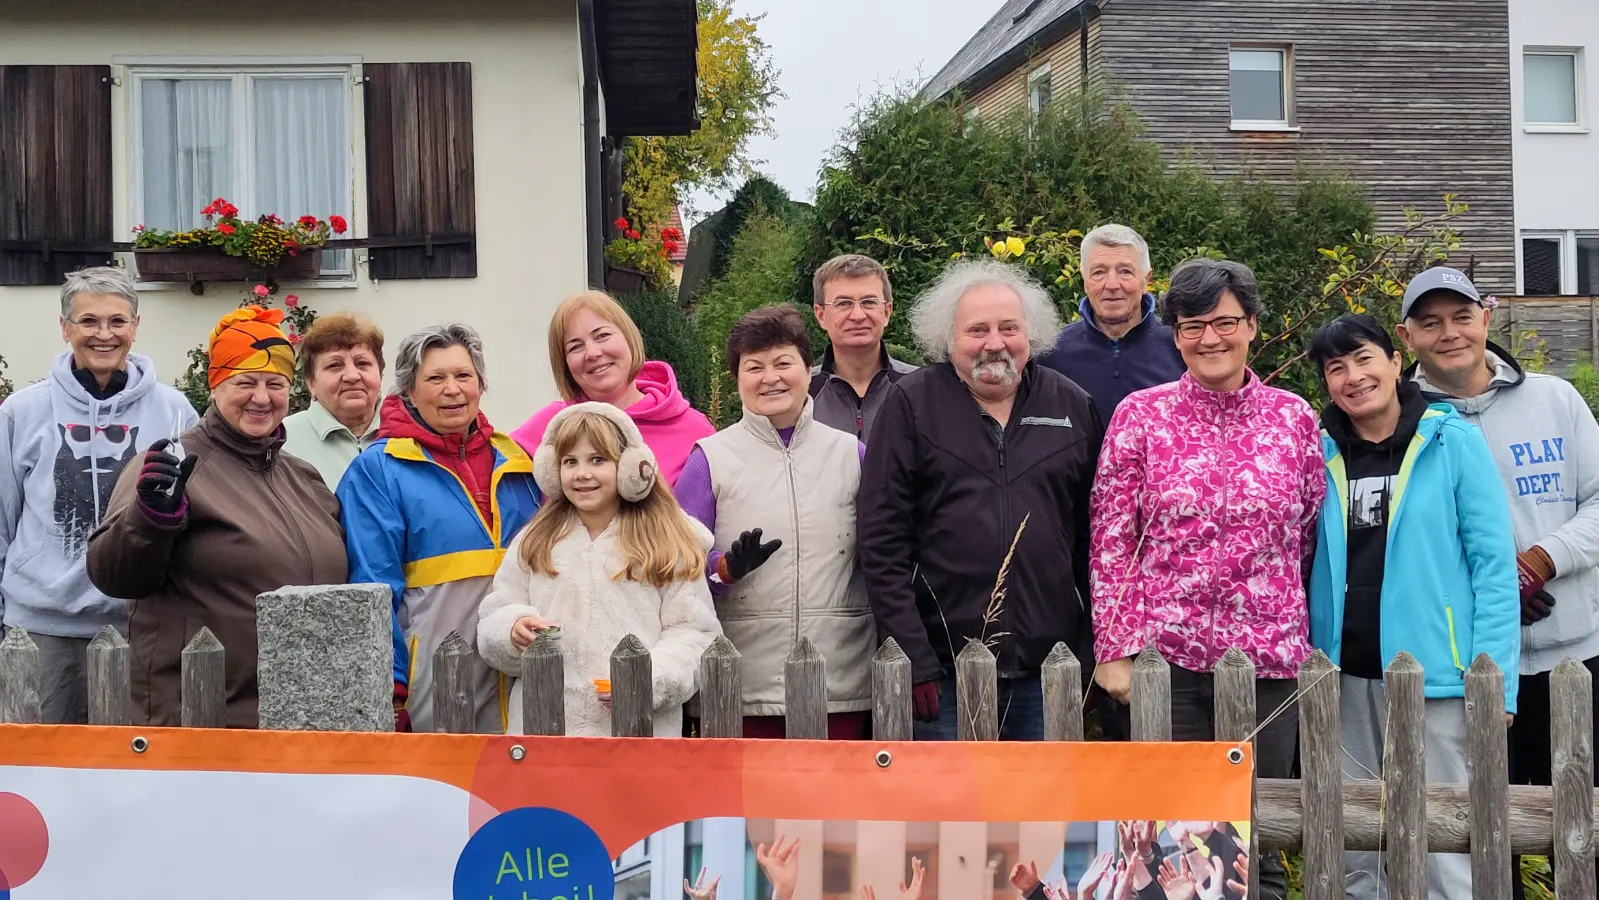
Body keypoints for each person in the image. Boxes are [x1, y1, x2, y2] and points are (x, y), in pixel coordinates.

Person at [1090, 258, 1322, 899]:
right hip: (1170, 662)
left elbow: (1304, 531)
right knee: (1173, 844)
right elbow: (1113, 537)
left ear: (1251, 325)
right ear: (1175, 335)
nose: (1209, 338)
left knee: (1261, 839)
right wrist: (1115, 648)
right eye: (1193, 326)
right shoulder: (1141, 416)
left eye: (1225, 322)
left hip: (1269, 665)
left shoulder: (1293, 418)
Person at [1395, 265, 1599, 898]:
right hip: (1471, 669)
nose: (1449, 333)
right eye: (1430, 323)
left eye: (1461, 317)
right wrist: (1489, 587)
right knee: (1481, 828)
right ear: (1407, 338)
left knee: (1583, 825)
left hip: (1576, 654)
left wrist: (1537, 562)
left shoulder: (1555, 400)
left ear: (1487, 316)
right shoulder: (1403, 421)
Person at [1308, 313, 1519, 900]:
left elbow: (1495, 568)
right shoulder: (1320, 453)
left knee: (1443, 841)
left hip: (1437, 676)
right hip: (1346, 675)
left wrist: (1494, 680)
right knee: (1357, 843)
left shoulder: (1451, 441)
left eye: (1364, 358)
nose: (1354, 376)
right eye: (1336, 367)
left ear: (1395, 361)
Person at [858, 258, 1102, 741]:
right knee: (949, 817)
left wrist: (1089, 651)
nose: (995, 342)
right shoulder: (911, 405)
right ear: (949, 340)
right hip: (945, 673)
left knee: (1042, 815)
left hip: (1048, 670)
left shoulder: (1072, 406)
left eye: (1009, 327)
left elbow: (1095, 543)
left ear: (1031, 334)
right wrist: (914, 655)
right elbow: (882, 542)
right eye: (977, 330)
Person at [86, 305, 346, 727]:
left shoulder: (303, 477)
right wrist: (149, 519)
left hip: (295, 716)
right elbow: (114, 576)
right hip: (200, 713)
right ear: (215, 385)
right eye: (245, 382)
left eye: (275, 384)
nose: (262, 398)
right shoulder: (173, 466)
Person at [0, 266, 197, 723]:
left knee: (129, 776)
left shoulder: (174, 411)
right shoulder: (22, 412)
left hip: (139, 625)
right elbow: (3, 520)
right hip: (41, 629)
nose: (103, 334)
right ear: (65, 327)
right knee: (42, 774)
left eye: (117, 321)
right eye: (89, 321)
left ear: (135, 325)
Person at [675, 305, 875, 738]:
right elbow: (675, 565)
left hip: (839, 679)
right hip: (738, 683)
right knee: (748, 808)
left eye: (783, 363)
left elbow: (884, 554)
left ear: (808, 369)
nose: (771, 378)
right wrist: (724, 568)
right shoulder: (709, 460)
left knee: (832, 807)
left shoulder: (852, 455)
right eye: (754, 367)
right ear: (737, 379)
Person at [339, 323, 540, 734]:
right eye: (435, 378)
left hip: (525, 680)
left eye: (463, 376)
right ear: (409, 392)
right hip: (433, 685)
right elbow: (373, 587)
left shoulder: (518, 460)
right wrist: (391, 687)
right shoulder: (378, 469)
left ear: (480, 385)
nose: (452, 389)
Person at [476, 403, 721, 737]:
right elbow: (498, 609)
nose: (582, 473)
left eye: (597, 460)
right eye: (569, 462)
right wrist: (512, 628)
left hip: (638, 737)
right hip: (544, 736)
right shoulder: (534, 540)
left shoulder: (667, 541)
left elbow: (694, 633)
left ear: (631, 468)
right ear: (552, 469)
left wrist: (647, 678)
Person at [512, 291, 713, 485]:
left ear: (629, 338)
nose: (592, 353)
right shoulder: (549, 427)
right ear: (564, 364)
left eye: (602, 336)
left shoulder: (693, 430)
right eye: (575, 346)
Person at [1038, 223, 1184, 420]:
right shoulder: (1051, 353)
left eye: (1125, 271)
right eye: (1098, 272)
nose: (1112, 284)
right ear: (1084, 280)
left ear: (1146, 280)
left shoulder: (1180, 346)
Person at [807, 254, 917, 442]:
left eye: (868, 302)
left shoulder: (920, 389)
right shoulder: (802, 393)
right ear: (821, 315)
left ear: (887, 312)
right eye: (843, 304)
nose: (858, 315)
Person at [281, 312, 385, 489]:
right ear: (310, 382)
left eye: (362, 363)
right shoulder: (282, 440)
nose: (352, 376)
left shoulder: (410, 433)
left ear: (380, 374)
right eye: (334, 365)